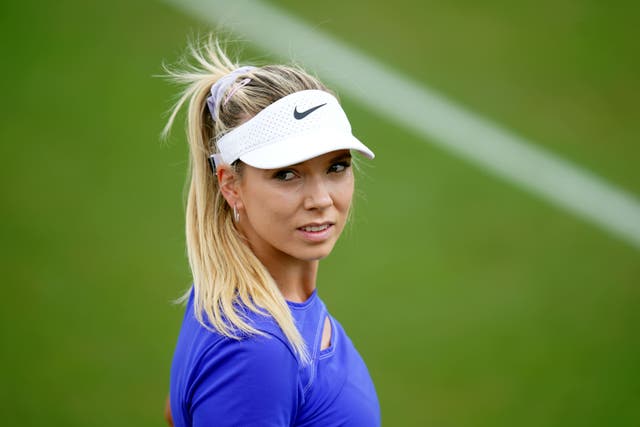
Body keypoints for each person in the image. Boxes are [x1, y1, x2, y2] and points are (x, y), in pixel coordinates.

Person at [163, 37, 380, 427]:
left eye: (336, 167)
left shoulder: (229, 292)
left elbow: (176, 413)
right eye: (286, 174)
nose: (320, 199)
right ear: (230, 184)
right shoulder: (257, 351)